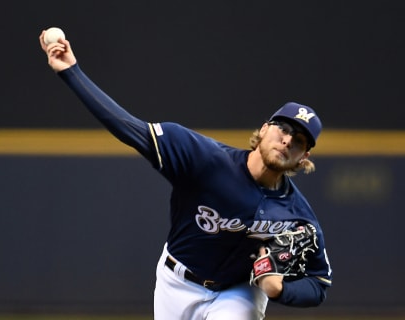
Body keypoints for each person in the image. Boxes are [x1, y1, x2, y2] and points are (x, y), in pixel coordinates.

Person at [39, 30, 332, 320]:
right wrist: (72, 72)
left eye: (299, 141)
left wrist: (279, 290)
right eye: (284, 129)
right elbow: (129, 129)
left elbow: (319, 284)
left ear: (304, 157)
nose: (287, 141)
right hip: (175, 283)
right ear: (266, 128)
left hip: (238, 292)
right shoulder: (205, 159)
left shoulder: (298, 216)